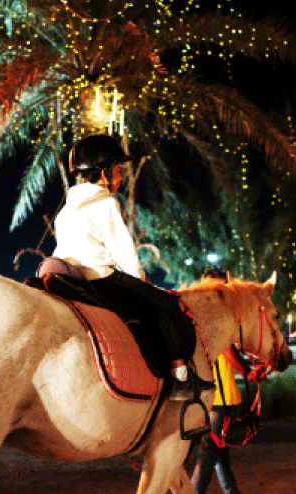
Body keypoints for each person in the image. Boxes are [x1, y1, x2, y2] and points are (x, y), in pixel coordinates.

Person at [52, 134, 206, 399]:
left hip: (74, 278)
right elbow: (123, 251)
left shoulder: (66, 211)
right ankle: (180, 377)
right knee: (168, 305)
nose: (120, 177)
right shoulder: (104, 202)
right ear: (103, 172)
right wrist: (142, 281)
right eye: (117, 170)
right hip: (101, 278)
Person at [191, 269, 245, 494]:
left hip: (208, 394)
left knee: (219, 450)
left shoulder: (199, 314)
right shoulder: (219, 317)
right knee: (210, 450)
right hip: (218, 396)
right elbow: (230, 351)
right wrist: (247, 371)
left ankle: (231, 491)